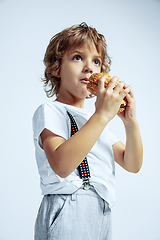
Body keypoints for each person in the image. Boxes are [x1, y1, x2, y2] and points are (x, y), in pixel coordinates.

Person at [32, 22, 143, 240]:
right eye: (77, 57)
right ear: (56, 68)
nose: (89, 67)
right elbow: (62, 166)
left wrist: (131, 123)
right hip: (69, 205)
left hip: (102, 212)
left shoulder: (96, 123)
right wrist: (102, 115)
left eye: (96, 61)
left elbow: (132, 164)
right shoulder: (51, 111)